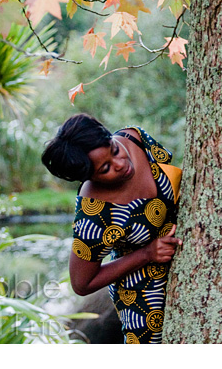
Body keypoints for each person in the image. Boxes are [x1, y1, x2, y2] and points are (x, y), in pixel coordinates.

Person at [41, 114, 182, 344]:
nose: (120, 164)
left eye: (114, 150)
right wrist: (147, 254)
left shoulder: (135, 138)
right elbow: (81, 283)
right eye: (105, 168)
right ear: (88, 177)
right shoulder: (94, 213)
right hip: (144, 297)